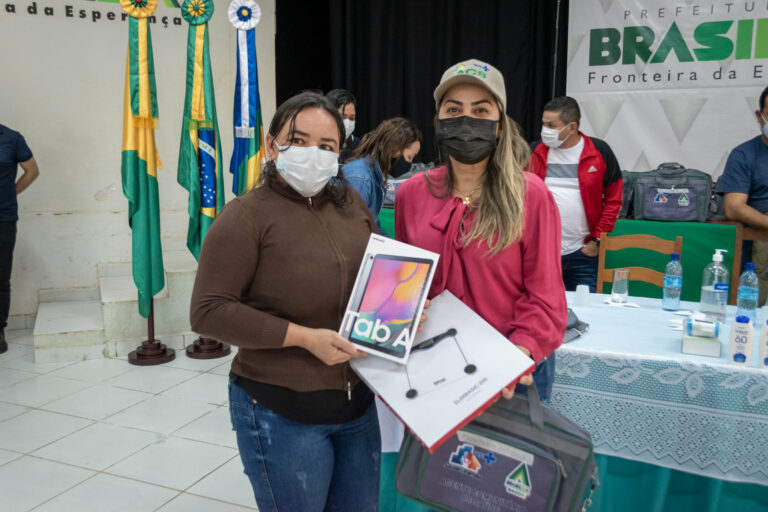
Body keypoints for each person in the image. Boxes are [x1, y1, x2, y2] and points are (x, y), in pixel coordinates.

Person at [383, 59, 568, 511]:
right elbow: (409, 288)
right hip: (438, 373)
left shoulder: (532, 196)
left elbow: (545, 299)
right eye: (454, 109)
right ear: (438, 122)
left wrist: (510, 363)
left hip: (511, 375)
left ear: (500, 125)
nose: (466, 119)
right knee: (442, 489)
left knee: (504, 492)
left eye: (481, 110)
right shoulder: (411, 194)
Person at [189, 92, 381, 512]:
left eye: (327, 146)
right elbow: (208, 311)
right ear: (271, 144)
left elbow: (378, 273)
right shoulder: (245, 216)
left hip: (358, 406)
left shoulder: (352, 206)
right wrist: (303, 338)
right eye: (299, 140)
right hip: (281, 410)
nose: (314, 154)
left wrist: (401, 308)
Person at [527, 96, 623, 293]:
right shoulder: (533, 151)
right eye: (543, 124)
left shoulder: (599, 151)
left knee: (586, 313)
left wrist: (596, 241)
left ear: (571, 127)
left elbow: (614, 200)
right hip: (541, 252)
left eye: (551, 125)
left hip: (582, 254)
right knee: (539, 309)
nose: (545, 130)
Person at [718, 85, 768, 304]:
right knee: (752, 317)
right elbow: (733, 206)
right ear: (760, 115)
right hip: (758, 249)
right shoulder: (744, 154)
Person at [343, 117, 422, 232]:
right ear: (395, 149)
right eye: (410, 157)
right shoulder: (360, 177)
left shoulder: (374, 175)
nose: (410, 163)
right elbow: (350, 231)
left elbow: (373, 227)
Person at [0, 124, 38, 354]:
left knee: (1, 276)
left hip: (3, 218)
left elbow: (32, 170)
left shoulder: (12, 138)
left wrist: (10, 193)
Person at [327, 88, 360, 163]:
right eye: (342, 117)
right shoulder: (317, 145)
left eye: (352, 118)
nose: (347, 123)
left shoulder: (358, 146)